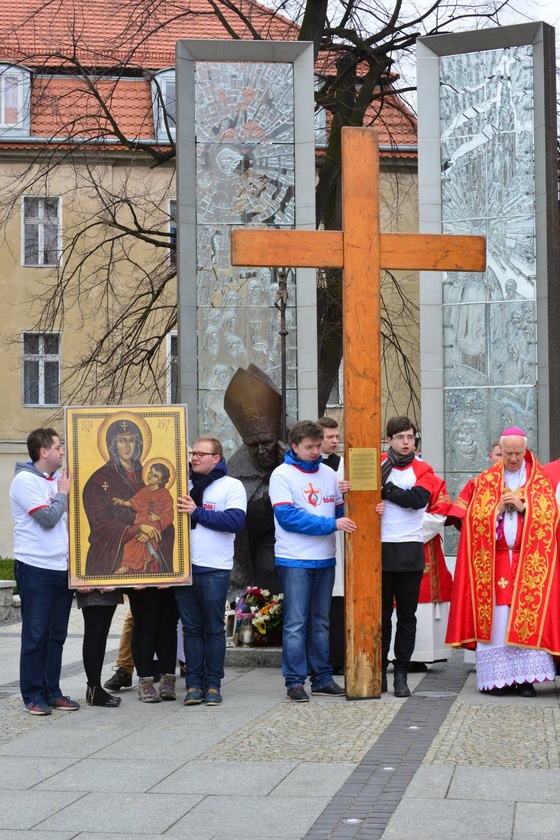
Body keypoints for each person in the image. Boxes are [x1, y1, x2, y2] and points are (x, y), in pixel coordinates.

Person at [446, 427, 560, 696]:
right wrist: (496, 510)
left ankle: (525, 680)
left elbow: (550, 519)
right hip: (495, 560)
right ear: (501, 449)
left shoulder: (538, 480)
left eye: (518, 453)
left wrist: (524, 509)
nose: (512, 458)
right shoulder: (486, 481)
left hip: (527, 561)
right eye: (507, 453)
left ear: (525, 450)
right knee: (498, 620)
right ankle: (497, 679)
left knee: (523, 619)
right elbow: (472, 522)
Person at [269, 420, 357, 702]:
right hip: (294, 558)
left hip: (324, 559)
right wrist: (331, 524)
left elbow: (340, 509)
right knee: (296, 622)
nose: (316, 451)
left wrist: (363, 504)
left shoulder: (329, 474)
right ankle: (295, 681)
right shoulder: (282, 475)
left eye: (318, 446)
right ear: (294, 446)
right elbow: (288, 517)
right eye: (309, 447)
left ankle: (321, 677)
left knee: (320, 621)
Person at [9, 428, 79, 715]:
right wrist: (62, 494)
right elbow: (48, 519)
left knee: (57, 635)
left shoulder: (55, 481)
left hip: (59, 568)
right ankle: (33, 695)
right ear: (43, 452)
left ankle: (53, 691)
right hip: (35, 568)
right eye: (58, 447)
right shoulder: (24, 481)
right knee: (35, 635)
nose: (62, 451)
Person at [175, 435, 247, 707]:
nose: (194, 457)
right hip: (184, 568)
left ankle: (214, 685)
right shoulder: (184, 484)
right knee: (191, 629)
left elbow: (234, 521)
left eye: (201, 454)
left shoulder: (232, 486)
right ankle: (193, 684)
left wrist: (197, 512)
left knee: (214, 628)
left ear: (216, 458)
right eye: (193, 453)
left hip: (214, 567)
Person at [375, 416, 435, 698]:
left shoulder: (422, 467)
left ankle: (401, 673)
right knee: (382, 616)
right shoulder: (377, 466)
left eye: (410, 437)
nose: (406, 442)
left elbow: (418, 500)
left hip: (410, 548)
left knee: (407, 616)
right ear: (389, 440)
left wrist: (386, 491)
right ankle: (380, 670)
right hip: (382, 548)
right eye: (400, 437)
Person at [83, 419, 174, 576]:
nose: (127, 446)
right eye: (121, 441)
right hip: (112, 553)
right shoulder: (98, 480)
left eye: (131, 440)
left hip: (150, 546)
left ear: (138, 444)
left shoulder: (147, 475)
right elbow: (99, 526)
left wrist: (154, 525)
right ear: (112, 445)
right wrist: (136, 529)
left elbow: (165, 511)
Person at [225, 364, 286, 598]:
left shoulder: (292, 463)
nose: (261, 451)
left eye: (267, 443)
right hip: (258, 557)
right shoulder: (236, 469)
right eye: (253, 445)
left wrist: (287, 466)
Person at [317, 416, 351, 674]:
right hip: (312, 540)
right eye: (329, 437)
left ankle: (337, 659)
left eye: (337, 437)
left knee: (337, 603)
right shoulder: (307, 466)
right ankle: (314, 660)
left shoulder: (343, 465)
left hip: (339, 540)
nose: (334, 441)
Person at [113, 463, 174, 574]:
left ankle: (141, 562)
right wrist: (122, 502)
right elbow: (134, 502)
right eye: (150, 472)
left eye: (155, 475)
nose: (150, 476)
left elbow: (169, 513)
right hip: (140, 526)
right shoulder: (144, 491)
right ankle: (128, 565)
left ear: (161, 481)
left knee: (142, 544)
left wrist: (158, 517)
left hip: (154, 529)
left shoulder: (164, 494)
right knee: (129, 545)